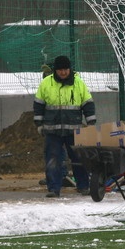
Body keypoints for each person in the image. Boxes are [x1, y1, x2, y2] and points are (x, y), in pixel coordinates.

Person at [33, 55, 96, 197]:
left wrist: (91, 122)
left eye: (65, 69)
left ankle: (83, 186)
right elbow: (38, 105)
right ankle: (54, 189)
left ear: (70, 69)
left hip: (74, 130)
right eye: (60, 70)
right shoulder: (46, 84)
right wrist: (39, 123)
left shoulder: (78, 83)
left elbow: (88, 103)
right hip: (52, 130)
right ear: (55, 70)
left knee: (79, 158)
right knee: (53, 159)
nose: (63, 72)